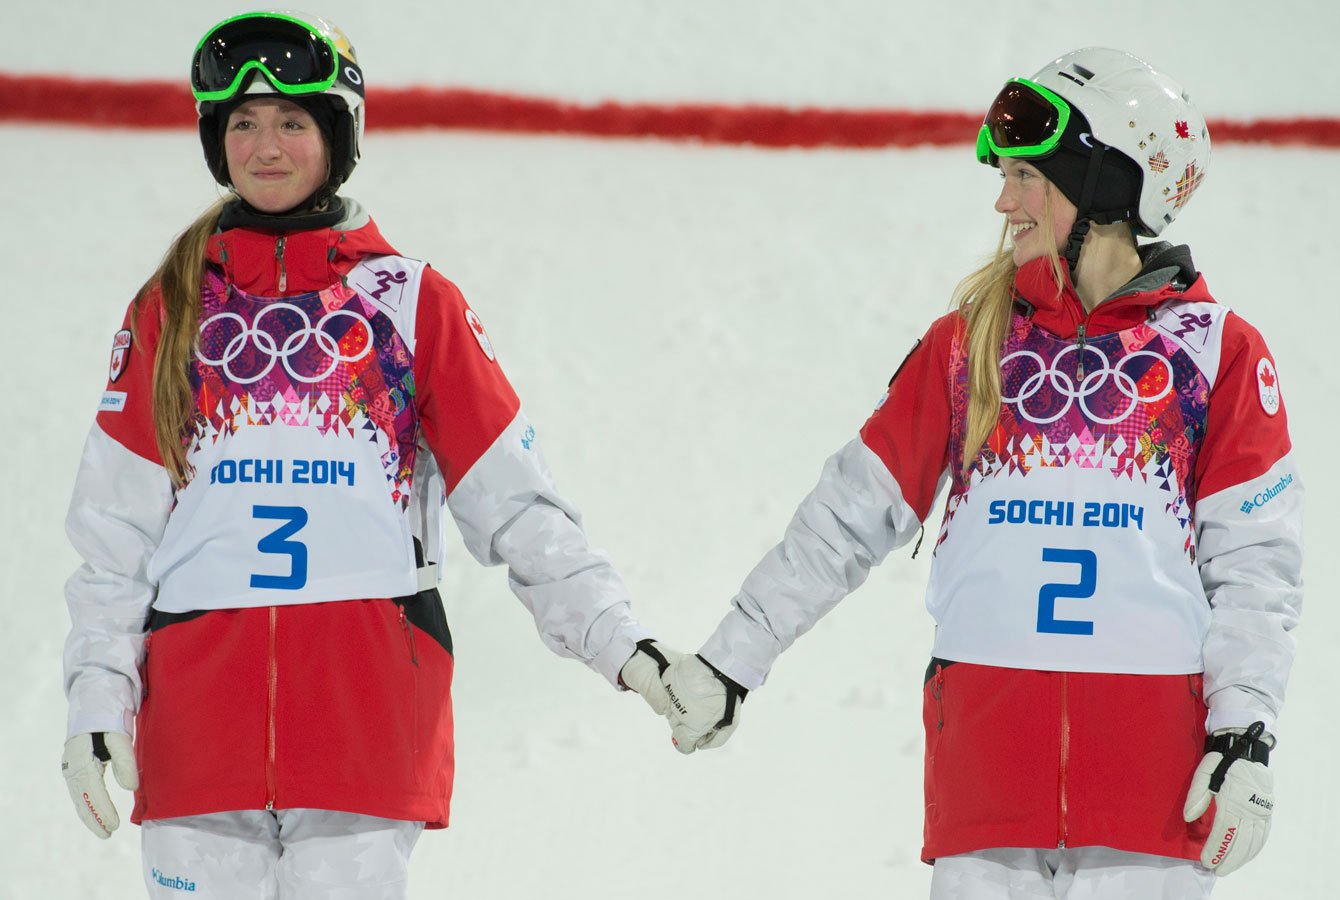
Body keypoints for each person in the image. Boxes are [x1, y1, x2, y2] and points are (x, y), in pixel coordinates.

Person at [59, 11, 680, 898]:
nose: (263, 145)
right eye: (241, 122)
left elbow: (515, 508)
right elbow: (113, 537)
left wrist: (625, 646)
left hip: (363, 729)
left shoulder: (411, 302)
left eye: (290, 122)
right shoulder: (172, 307)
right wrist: (94, 703)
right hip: (197, 739)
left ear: (339, 134)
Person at [658, 48, 1302, 898]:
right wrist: (732, 659)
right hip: (986, 799)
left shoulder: (1216, 353)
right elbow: (846, 517)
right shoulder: (969, 347)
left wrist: (1243, 735)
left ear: (1106, 180)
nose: (1004, 200)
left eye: (1028, 178)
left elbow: (1254, 568)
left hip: (1151, 804)